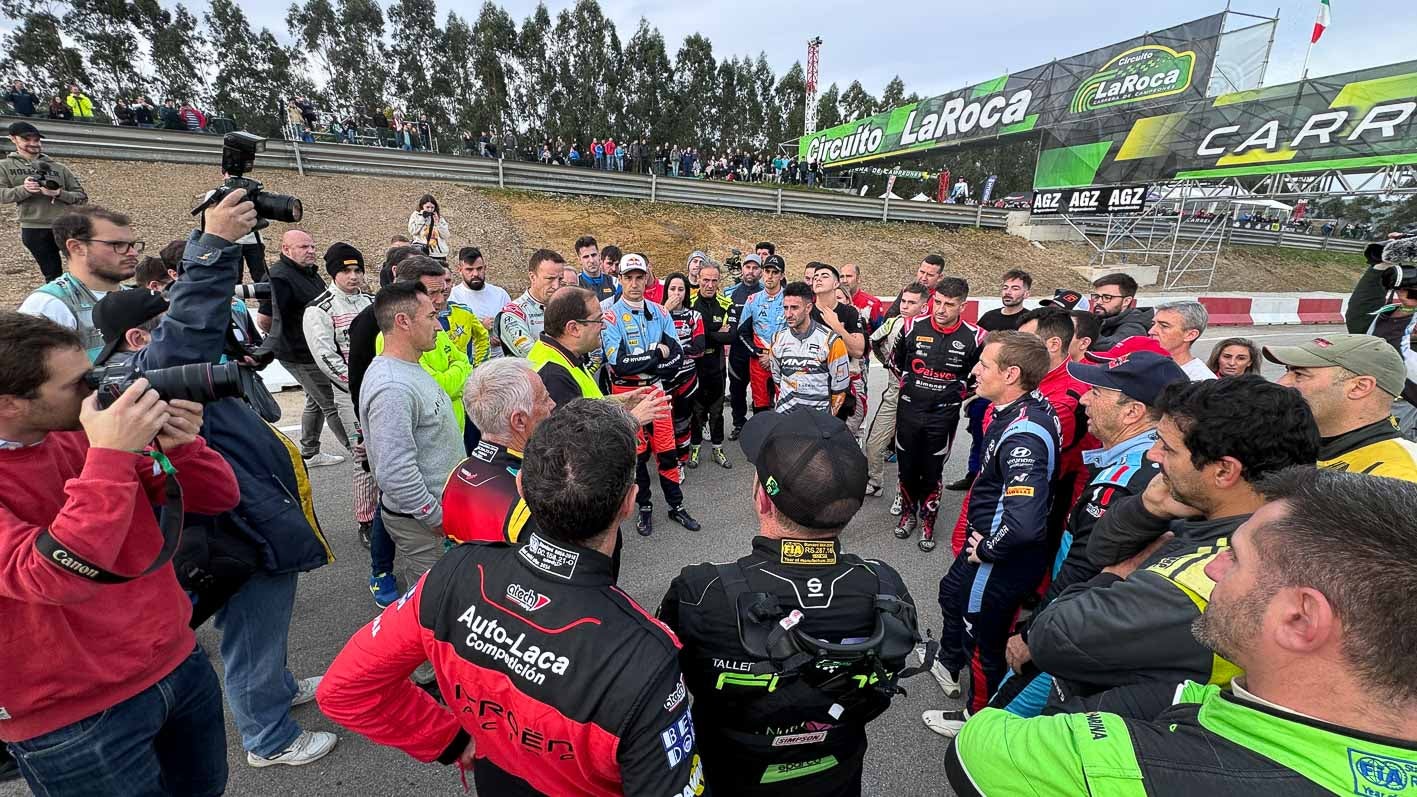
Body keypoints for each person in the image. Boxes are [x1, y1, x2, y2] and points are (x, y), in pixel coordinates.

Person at [946, 467, 1417, 796]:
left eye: (1236, 557)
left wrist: (1114, 576)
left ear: (1299, 619)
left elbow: (978, 745)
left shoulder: (1137, 764)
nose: (1213, 569)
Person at [318, 401, 707, 797]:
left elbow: (344, 689)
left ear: (519, 487)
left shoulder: (456, 571)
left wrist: (450, 740)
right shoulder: (644, 655)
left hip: (496, 776)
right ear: (629, 502)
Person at [90, 192, 338, 767]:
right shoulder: (149, 373)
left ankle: (274, 691)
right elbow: (191, 328)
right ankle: (268, 738)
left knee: (265, 628)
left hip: (250, 512)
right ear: (136, 339)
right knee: (251, 633)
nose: (189, 327)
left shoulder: (152, 371)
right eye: (163, 319)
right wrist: (216, 241)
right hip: (239, 529)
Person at [0, 311, 239, 797]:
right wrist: (108, 457)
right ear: (10, 404)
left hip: (175, 662)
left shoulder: (80, 429)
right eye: (75, 386)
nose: (94, 393)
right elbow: (48, 577)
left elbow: (218, 498)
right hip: (73, 716)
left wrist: (184, 448)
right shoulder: (97, 440)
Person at [660, 408, 926, 795]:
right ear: (850, 509)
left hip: (731, 776)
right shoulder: (886, 588)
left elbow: (662, 689)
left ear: (763, 500)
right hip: (838, 776)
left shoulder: (700, 591)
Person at [1024, 375, 1318, 720]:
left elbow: (1051, 636)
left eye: (1168, 447)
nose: (1153, 454)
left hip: (1119, 735)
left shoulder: (1200, 581)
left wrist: (1113, 576)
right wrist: (1148, 509)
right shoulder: (1236, 510)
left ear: (1224, 471)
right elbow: (1101, 548)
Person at [967, 350, 1186, 724]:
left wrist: (1034, 637)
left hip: (1069, 638)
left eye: (1096, 392)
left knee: (1000, 724)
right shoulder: (1135, 463)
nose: (1083, 398)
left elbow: (1087, 573)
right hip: (1081, 627)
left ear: (1132, 411)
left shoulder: (1129, 480)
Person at [926, 332, 1060, 729]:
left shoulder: (1023, 435)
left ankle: (976, 719)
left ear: (1012, 373)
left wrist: (986, 549)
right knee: (951, 594)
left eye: (984, 365)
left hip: (997, 557)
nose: (974, 371)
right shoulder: (1018, 407)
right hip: (986, 545)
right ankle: (947, 662)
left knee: (983, 638)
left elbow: (1022, 524)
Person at [360, 281, 463, 588]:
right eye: (431, 316)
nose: (438, 325)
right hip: (425, 525)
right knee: (434, 599)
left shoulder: (408, 368)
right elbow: (395, 472)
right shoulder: (393, 387)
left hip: (436, 514)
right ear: (403, 321)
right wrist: (436, 518)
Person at [602, 253, 701, 535]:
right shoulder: (610, 316)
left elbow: (677, 357)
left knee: (668, 453)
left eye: (639, 277)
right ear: (620, 280)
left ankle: (676, 506)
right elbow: (618, 362)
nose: (634, 283)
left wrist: (649, 359)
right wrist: (656, 353)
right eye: (628, 277)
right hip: (626, 394)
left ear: (647, 278)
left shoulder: (661, 312)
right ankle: (644, 507)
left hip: (657, 390)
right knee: (638, 456)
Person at [891, 278, 983, 550]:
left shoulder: (976, 336)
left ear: (962, 306)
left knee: (932, 472)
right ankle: (908, 515)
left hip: (943, 417)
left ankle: (928, 520)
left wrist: (954, 395)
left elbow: (979, 376)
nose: (941, 309)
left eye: (949, 305)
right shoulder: (910, 326)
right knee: (906, 468)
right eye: (938, 302)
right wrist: (912, 388)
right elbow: (896, 362)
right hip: (909, 410)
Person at [1265, 334, 1417, 479]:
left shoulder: (1400, 473)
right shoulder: (1294, 445)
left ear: (1359, 387)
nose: (1281, 383)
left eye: (1299, 374)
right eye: (1287, 371)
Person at [303, 242, 376, 542]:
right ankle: (366, 520)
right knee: (363, 454)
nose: (353, 276)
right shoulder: (320, 309)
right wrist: (357, 383)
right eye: (346, 270)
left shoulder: (373, 301)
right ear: (333, 273)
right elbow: (325, 358)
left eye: (357, 269)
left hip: (381, 386)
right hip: (350, 393)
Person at [441, 359, 554, 544]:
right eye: (544, 399)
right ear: (519, 421)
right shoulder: (531, 496)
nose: (552, 404)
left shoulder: (456, 476)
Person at [263, 229, 349, 467]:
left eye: (312, 246)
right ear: (286, 249)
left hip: (315, 349)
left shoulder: (308, 273)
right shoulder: (280, 277)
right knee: (331, 403)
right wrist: (289, 338)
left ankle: (310, 452)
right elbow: (265, 318)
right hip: (299, 354)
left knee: (315, 400)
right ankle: (361, 454)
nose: (310, 251)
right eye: (303, 247)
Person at [952, 268, 1034, 491]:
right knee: (979, 435)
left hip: (1011, 392)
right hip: (983, 390)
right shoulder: (989, 318)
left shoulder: (1028, 323)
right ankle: (973, 476)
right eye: (1005, 287)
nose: (1008, 292)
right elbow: (974, 352)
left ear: (1026, 293)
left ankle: (1000, 482)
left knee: (1006, 439)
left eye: (1015, 288)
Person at [2, 121, 89, 282]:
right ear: (13, 139)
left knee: (85, 268)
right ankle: (61, 303)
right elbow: (2, 195)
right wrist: (25, 189)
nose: (33, 143)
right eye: (27, 139)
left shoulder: (59, 167)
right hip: (34, 228)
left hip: (66, 225)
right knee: (52, 274)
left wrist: (59, 193)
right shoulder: (5, 166)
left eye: (36, 140)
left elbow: (81, 197)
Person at [864, 282, 927, 498]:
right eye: (903, 301)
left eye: (912, 302)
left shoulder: (932, 328)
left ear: (924, 306)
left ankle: (909, 494)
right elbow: (873, 342)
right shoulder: (891, 324)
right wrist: (888, 364)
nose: (905, 306)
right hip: (894, 393)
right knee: (873, 444)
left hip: (922, 398)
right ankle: (875, 482)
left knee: (914, 450)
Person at [768, 280, 850, 415]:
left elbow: (840, 389)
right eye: (785, 307)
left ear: (808, 308)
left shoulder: (831, 341)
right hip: (785, 417)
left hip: (817, 421)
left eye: (794, 308)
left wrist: (826, 419)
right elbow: (777, 380)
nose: (788, 314)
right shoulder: (777, 339)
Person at [810, 264, 867, 429]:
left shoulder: (850, 313)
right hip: (811, 385)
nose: (818, 278)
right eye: (816, 276)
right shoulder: (806, 312)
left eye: (824, 275)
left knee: (835, 436)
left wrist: (837, 327)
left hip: (839, 388)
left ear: (836, 284)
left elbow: (858, 350)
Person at [689, 261, 733, 468]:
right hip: (695, 366)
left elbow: (731, 336)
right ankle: (695, 449)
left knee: (716, 411)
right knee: (696, 410)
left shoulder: (726, 303)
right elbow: (691, 339)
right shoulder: (688, 302)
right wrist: (716, 333)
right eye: (705, 280)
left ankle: (718, 449)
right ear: (698, 279)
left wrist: (702, 335)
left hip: (716, 364)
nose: (709, 284)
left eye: (714, 281)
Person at [663, 272, 705, 462]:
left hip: (687, 378)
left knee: (682, 421)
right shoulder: (657, 314)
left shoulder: (694, 316)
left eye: (681, 289)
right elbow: (652, 344)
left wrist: (671, 349)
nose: (676, 294)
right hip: (663, 379)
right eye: (672, 289)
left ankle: (682, 458)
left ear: (686, 293)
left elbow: (699, 350)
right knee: (663, 424)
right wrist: (664, 312)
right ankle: (669, 459)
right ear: (666, 291)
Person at [739, 254, 787, 415]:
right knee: (760, 404)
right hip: (759, 359)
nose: (770, 276)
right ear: (763, 273)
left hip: (784, 359)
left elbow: (797, 332)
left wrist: (774, 356)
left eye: (775, 272)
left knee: (785, 403)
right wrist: (757, 352)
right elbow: (742, 333)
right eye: (767, 271)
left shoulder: (790, 299)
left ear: (782, 275)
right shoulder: (752, 300)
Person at [495, 248, 565, 357]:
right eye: (550, 279)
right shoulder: (514, 313)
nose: (556, 286)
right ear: (533, 277)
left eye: (560, 279)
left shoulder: (564, 307)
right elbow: (530, 353)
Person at [726, 252, 765, 438]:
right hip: (737, 353)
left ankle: (760, 426)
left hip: (759, 352)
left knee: (762, 392)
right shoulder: (729, 292)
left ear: (760, 271)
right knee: (737, 391)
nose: (750, 271)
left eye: (755, 268)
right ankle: (739, 424)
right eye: (747, 267)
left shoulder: (767, 293)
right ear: (742, 269)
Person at [449, 246, 510, 358]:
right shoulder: (453, 297)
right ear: (460, 270)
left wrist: (502, 337)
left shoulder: (500, 294)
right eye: (469, 270)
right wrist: (481, 328)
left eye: (479, 268)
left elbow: (511, 325)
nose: (475, 274)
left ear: (485, 268)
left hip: (499, 361)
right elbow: (450, 335)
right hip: (469, 363)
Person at [1149, 300, 1215, 379]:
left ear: (1190, 335)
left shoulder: (1201, 380)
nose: (1151, 331)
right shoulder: (1142, 363)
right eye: (1153, 324)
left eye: (1164, 326)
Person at [1089, 272, 1153, 350]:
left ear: (1126, 301)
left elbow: (1112, 349)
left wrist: (1084, 329)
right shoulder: (1098, 319)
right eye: (1096, 296)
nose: (1098, 301)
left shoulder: (1134, 328)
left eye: (1107, 297)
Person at [841, 262, 885, 331]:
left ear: (858, 279)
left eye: (849, 276)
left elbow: (880, 333)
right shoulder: (833, 300)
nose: (844, 280)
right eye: (842, 277)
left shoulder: (873, 304)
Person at [574, 234, 619, 302]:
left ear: (599, 255)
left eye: (593, 255)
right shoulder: (576, 284)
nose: (591, 260)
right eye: (586, 257)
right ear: (579, 260)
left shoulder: (614, 282)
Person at [407, 194, 450, 262]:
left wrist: (438, 223)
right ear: (422, 206)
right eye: (427, 207)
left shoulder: (439, 217)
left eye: (432, 207)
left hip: (438, 254)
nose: (430, 210)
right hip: (422, 252)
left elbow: (445, 236)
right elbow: (412, 231)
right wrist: (422, 219)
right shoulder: (416, 216)